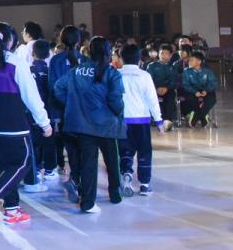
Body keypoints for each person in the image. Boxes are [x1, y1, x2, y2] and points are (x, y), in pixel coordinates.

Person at [0, 23, 52, 224]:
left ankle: (12, 209)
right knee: (23, 162)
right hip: (13, 121)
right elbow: (31, 96)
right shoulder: (17, 63)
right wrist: (44, 123)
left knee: (5, 164)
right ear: (12, 40)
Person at [54, 36, 125, 214]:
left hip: (83, 124)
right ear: (108, 52)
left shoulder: (76, 71)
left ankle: (87, 202)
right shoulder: (112, 72)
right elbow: (115, 99)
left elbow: (58, 88)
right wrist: (118, 112)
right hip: (107, 124)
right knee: (112, 160)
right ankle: (115, 194)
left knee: (88, 163)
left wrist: (71, 104)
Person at [117, 43, 163, 197]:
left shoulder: (116, 74)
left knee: (124, 150)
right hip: (141, 120)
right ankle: (144, 184)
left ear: (121, 58)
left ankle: (126, 174)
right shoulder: (145, 76)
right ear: (139, 59)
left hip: (122, 120)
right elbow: (152, 99)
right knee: (144, 151)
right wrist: (159, 120)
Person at [48, 26, 81, 193]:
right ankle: (79, 176)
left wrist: (63, 105)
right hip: (81, 112)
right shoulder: (85, 60)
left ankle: (74, 177)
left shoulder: (56, 60)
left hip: (62, 111)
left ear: (61, 40)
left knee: (67, 145)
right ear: (79, 41)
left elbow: (53, 87)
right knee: (80, 147)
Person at [22, 39, 54, 191]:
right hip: (46, 112)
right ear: (48, 54)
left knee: (32, 143)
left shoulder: (27, 70)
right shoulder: (50, 71)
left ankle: (34, 171)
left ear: (32, 52)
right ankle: (46, 170)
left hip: (30, 112)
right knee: (46, 142)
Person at [145, 44, 180, 131]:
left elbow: (174, 81)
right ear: (158, 54)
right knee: (151, 97)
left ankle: (168, 120)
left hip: (168, 90)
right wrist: (156, 88)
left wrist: (166, 88)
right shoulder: (151, 66)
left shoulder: (173, 67)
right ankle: (157, 120)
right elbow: (148, 80)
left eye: (166, 54)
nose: (164, 56)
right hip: (154, 90)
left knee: (170, 96)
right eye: (162, 53)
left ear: (171, 55)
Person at [180, 51, 218, 127]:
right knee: (190, 98)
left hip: (205, 91)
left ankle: (196, 117)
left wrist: (206, 90)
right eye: (189, 60)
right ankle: (203, 116)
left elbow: (213, 83)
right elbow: (185, 85)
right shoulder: (186, 72)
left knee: (212, 98)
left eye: (192, 60)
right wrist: (195, 92)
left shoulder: (207, 71)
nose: (189, 62)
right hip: (192, 91)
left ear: (199, 62)